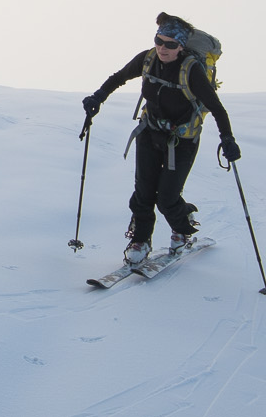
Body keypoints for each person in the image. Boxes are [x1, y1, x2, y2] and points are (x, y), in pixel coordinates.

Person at [82, 13, 241, 266]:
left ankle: (183, 229)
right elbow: (118, 77)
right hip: (149, 132)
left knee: (167, 198)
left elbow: (217, 108)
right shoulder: (147, 59)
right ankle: (141, 241)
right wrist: (97, 98)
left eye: (170, 44)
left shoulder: (192, 70)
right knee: (143, 192)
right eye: (159, 40)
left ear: (181, 46)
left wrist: (228, 139)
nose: (162, 48)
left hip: (182, 141)